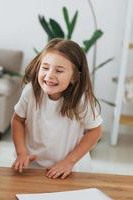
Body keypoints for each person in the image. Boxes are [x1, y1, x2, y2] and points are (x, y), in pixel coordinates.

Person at [12, 38, 103, 179]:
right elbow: (17, 121)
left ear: (74, 77)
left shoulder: (81, 100)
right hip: (32, 166)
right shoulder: (30, 92)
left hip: (69, 168)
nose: (49, 76)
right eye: (45, 68)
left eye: (59, 70)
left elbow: (95, 130)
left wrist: (69, 161)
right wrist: (21, 152)